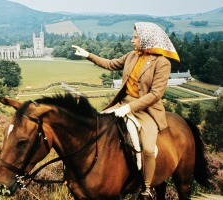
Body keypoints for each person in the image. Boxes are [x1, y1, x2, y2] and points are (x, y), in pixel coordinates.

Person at [72, 22, 180, 200]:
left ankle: (146, 189)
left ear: (146, 40)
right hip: (121, 104)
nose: (132, 41)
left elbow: (155, 94)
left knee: (148, 149)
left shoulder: (162, 63)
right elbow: (110, 64)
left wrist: (129, 108)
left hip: (146, 110)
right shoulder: (131, 56)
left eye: (136, 37)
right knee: (96, 128)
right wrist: (88, 55)